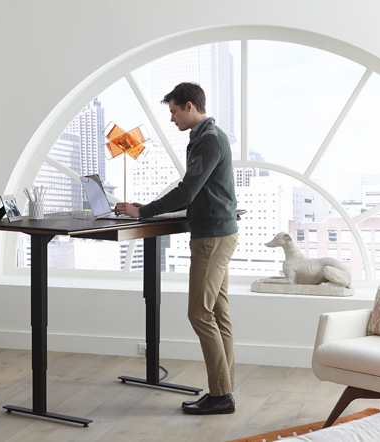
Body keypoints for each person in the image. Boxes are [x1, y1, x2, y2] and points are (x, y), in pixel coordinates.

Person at [114, 82, 239, 415]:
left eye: (173, 112)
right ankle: (224, 388)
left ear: (188, 106)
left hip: (212, 238)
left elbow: (187, 191)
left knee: (199, 312)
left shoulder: (209, 140)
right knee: (218, 313)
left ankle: (221, 395)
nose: (171, 119)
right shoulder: (204, 138)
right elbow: (197, 192)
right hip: (216, 233)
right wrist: (152, 208)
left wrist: (143, 212)